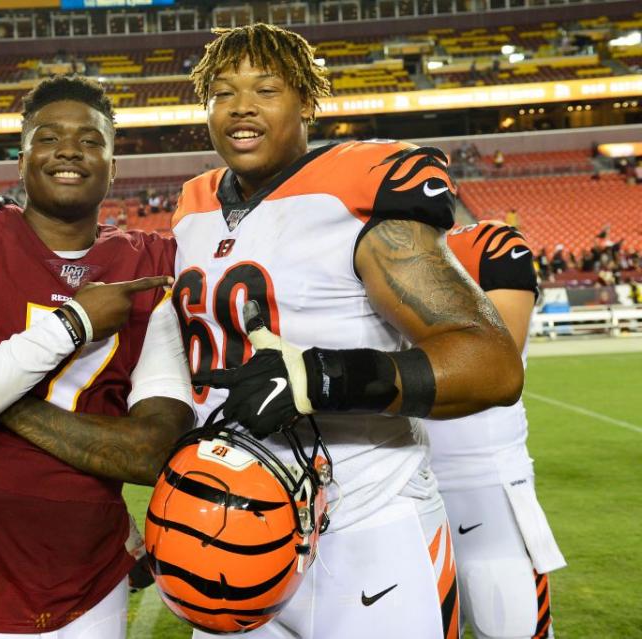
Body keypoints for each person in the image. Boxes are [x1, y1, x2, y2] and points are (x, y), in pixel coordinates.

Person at [173, 24, 522, 639]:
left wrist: (320, 378)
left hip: (367, 523)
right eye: (223, 92)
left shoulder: (355, 195)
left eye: (266, 88)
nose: (242, 106)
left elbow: (491, 363)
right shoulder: (193, 206)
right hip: (230, 525)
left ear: (306, 100)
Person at [0, 75, 194, 638]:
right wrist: (71, 325)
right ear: (21, 160)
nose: (70, 149)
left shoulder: (146, 266)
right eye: (48, 137)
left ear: (113, 168)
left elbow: (153, 453)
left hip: (89, 583)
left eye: (91, 140)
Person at [427, 220, 564, 639]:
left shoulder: (487, 244)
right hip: (389, 486)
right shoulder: (351, 249)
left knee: (509, 625)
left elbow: (496, 358)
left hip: (483, 484)